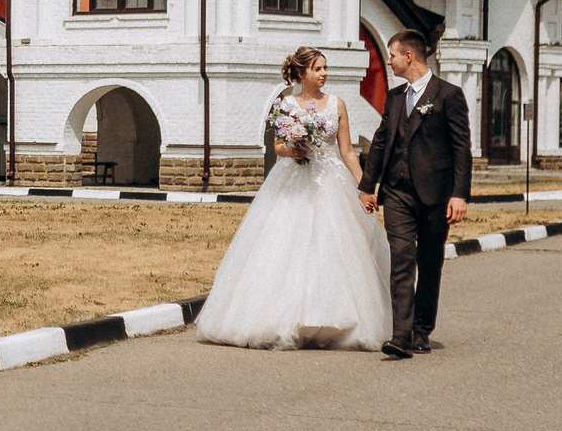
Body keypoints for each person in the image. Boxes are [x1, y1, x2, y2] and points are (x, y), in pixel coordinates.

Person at [194, 47, 393, 351]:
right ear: (301, 73)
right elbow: (278, 146)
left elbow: (347, 151)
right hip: (292, 180)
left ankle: (334, 320)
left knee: (333, 247)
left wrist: (365, 187)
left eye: (325, 68)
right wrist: (292, 149)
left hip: (330, 181)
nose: (324, 74)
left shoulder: (337, 104)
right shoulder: (286, 105)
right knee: (284, 245)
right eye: (317, 69)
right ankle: (280, 318)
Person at [355, 30, 472, 360]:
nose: (388, 61)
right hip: (397, 193)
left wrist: (459, 195)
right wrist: (367, 186)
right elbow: (381, 143)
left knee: (430, 261)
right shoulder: (394, 98)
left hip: (436, 196)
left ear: (409, 57)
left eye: (392, 55)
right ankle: (401, 335)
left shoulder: (448, 95)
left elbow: (461, 149)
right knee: (401, 258)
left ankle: (422, 330)